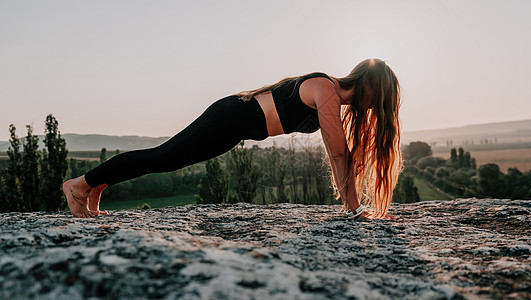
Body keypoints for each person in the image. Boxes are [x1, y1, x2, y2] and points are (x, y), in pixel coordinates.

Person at [63, 58, 402, 220]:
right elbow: (339, 155)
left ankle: (96, 187)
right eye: (381, 99)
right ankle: (80, 184)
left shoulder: (334, 99)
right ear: (370, 84)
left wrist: (351, 206)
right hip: (230, 117)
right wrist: (355, 209)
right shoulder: (326, 88)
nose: (377, 107)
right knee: (163, 157)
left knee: (166, 159)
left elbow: (342, 154)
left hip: (236, 128)